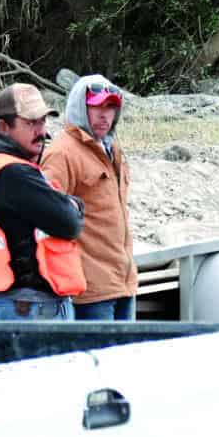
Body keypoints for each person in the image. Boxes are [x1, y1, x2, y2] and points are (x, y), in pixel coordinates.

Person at [0, 83, 86, 321]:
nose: (40, 131)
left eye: (43, 121)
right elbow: (69, 223)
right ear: (4, 127)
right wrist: (73, 204)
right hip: (27, 307)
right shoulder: (14, 173)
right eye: (30, 123)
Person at [41, 76, 137, 322]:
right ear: (79, 107)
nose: (104, 115)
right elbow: (46, 218)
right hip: (90, 290)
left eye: (110, 107)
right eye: (96, 106)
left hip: (123, 283)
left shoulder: (111, 147)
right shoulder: (62, 153)